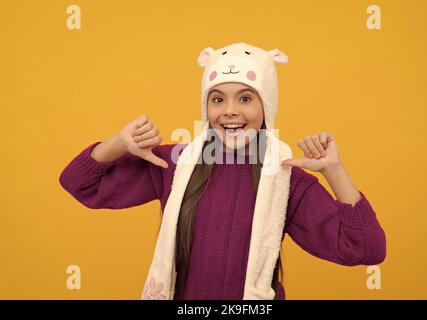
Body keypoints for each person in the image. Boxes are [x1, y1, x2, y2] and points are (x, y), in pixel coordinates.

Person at [59, 42, 386, 300]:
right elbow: (78, 183)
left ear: (266, 107)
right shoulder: (175, 164)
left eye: (245, 98)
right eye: (217, 99)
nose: (230, 111)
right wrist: (118, 143)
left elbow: (366, 248)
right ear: (206, 107)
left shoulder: (287, 179)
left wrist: (334, 170)